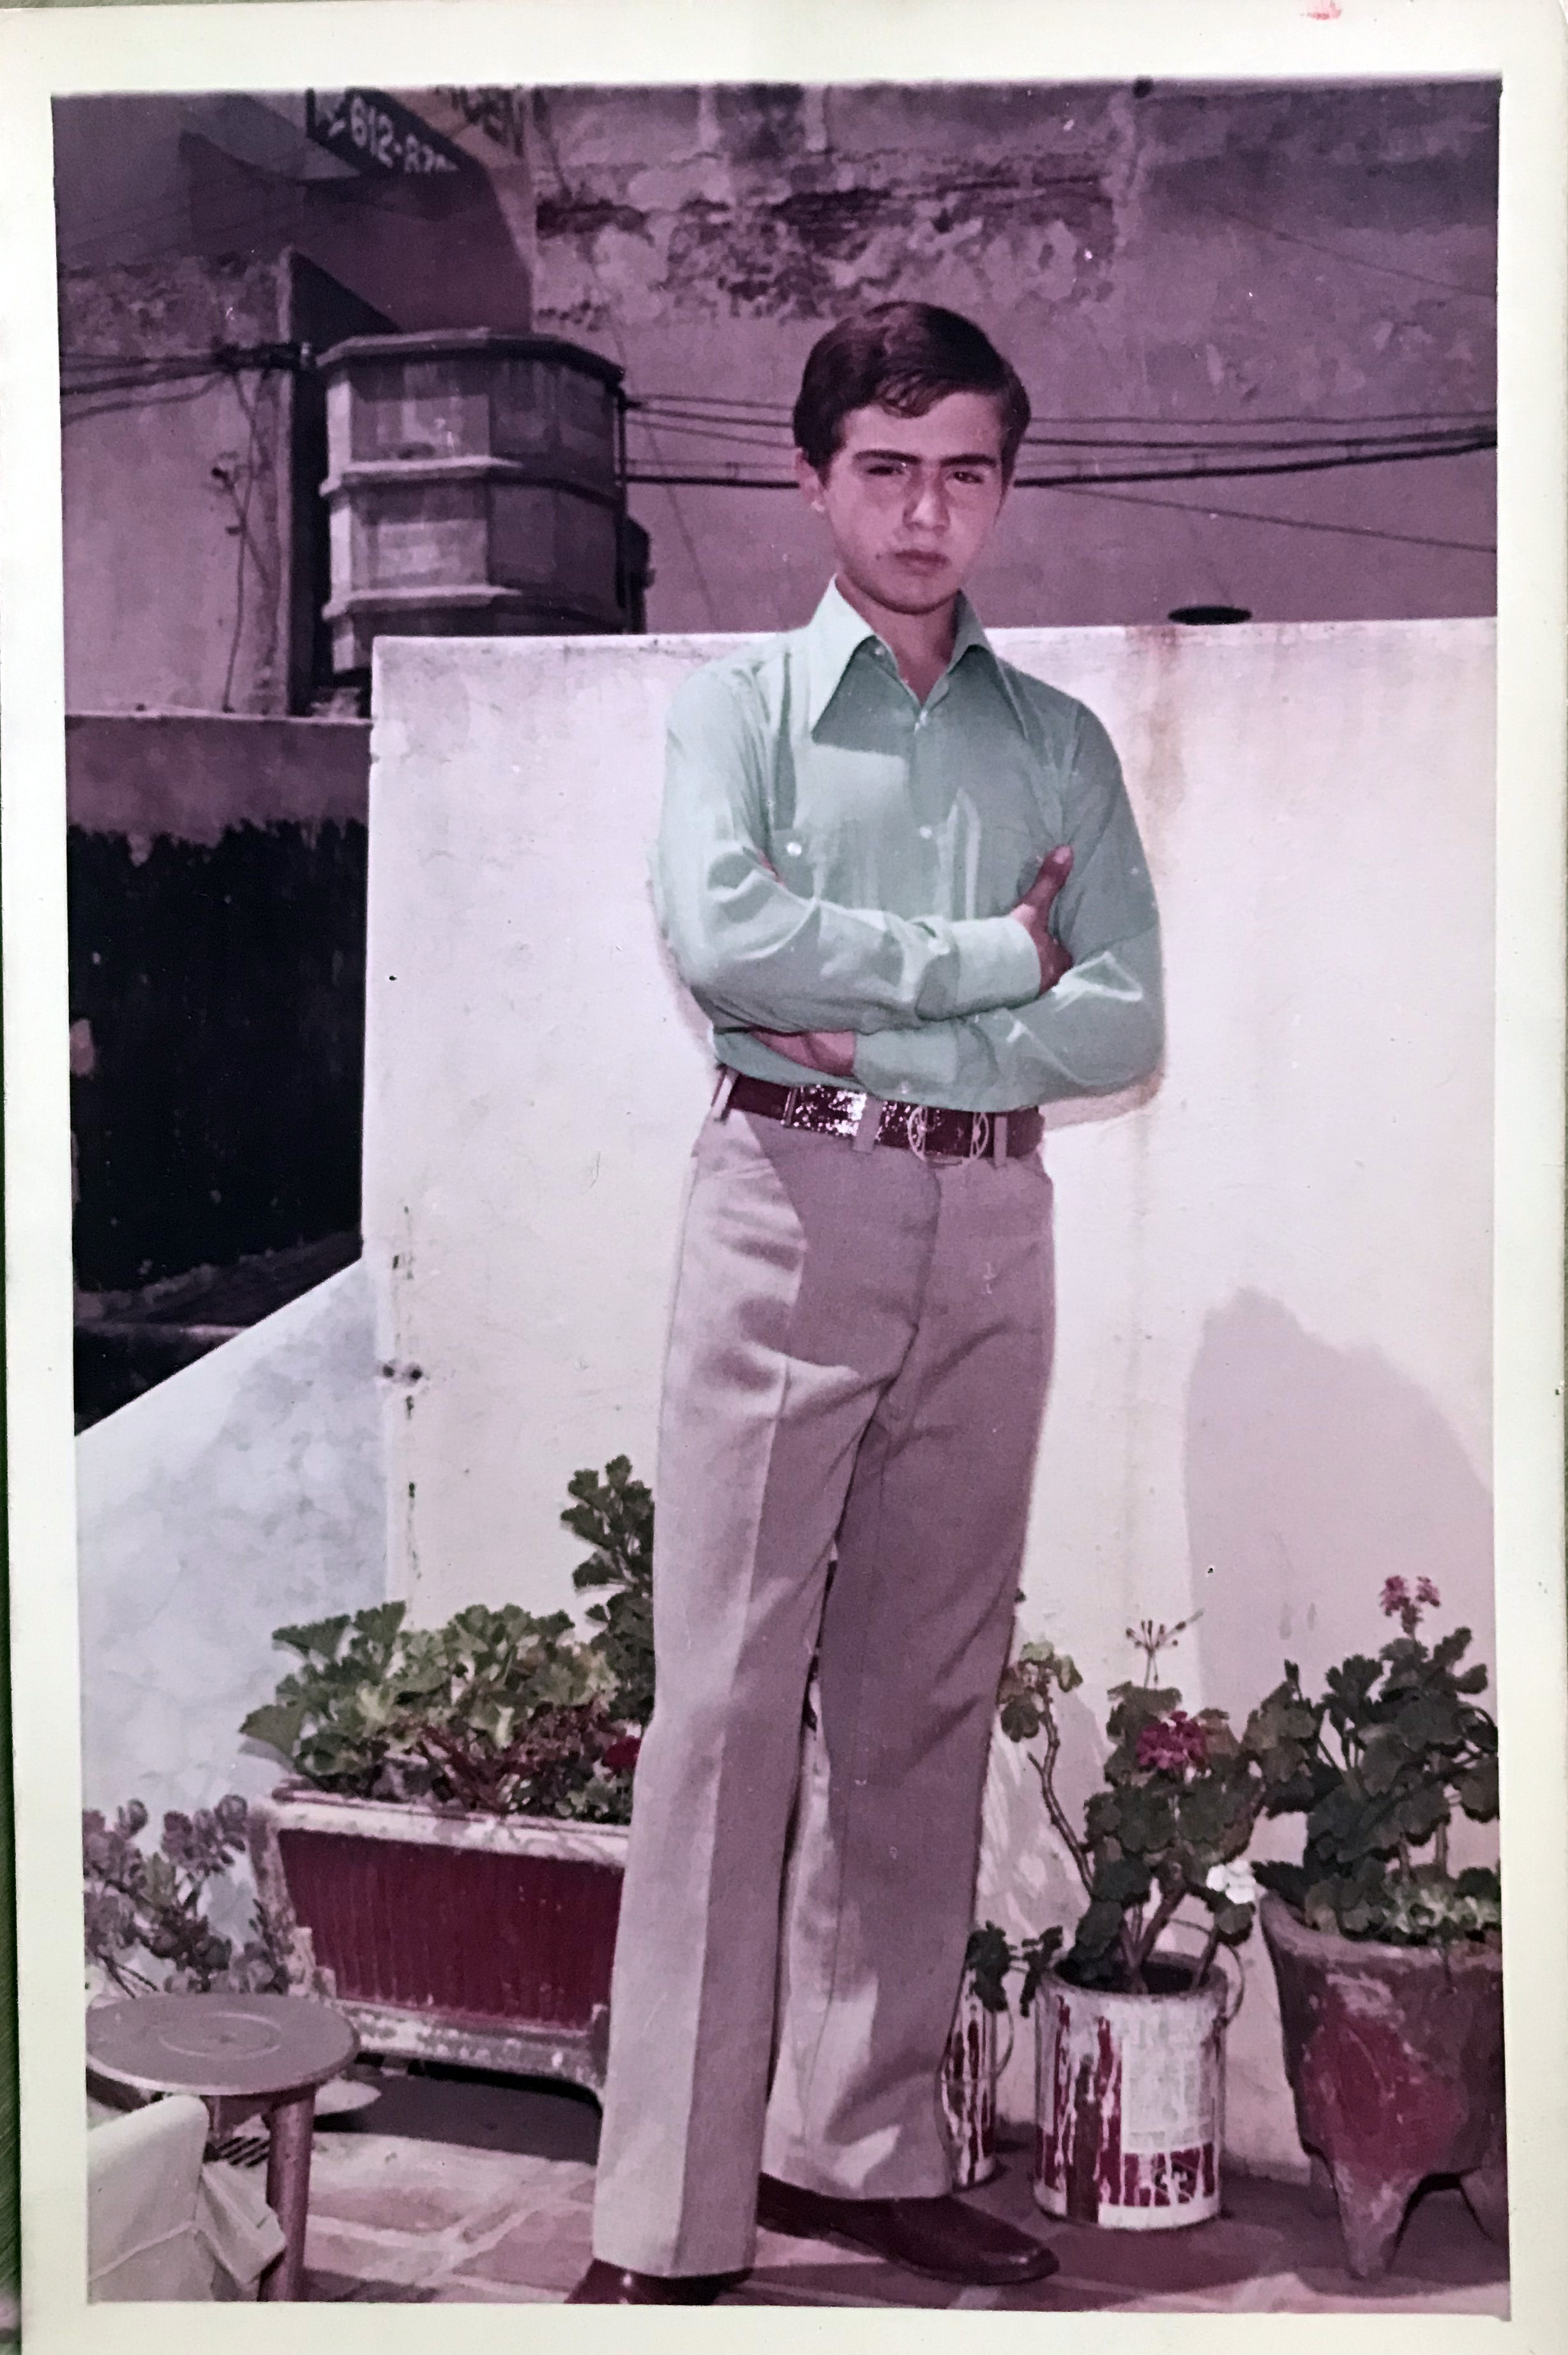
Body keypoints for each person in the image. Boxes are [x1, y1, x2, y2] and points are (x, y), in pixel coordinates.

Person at [569, 301, 1163, 2305]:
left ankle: (861, 2148)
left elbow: (1128, 1014)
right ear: (813, 476)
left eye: (965, 474)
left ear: (1004, 488)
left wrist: (890, 1030)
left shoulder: (1057, 741)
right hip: (785, 1210)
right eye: (887, 470)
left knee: (923, 1700)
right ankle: (667, 2219)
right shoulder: (733, 713)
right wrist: (995, 961)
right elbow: (726, 937)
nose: (926, 514)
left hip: (992, 1227)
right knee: (727, 1709)